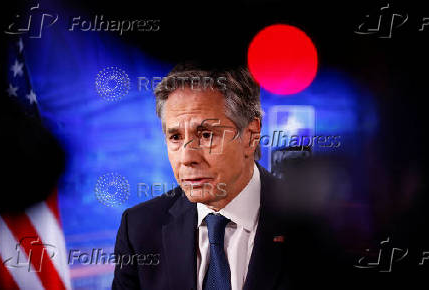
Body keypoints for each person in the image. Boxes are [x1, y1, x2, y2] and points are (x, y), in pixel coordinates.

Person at [112, 63, 347, 290]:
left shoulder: (317, 225)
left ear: (251, 135)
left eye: (206, 135)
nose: (187, 157)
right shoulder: (139, 229)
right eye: (175, 137)